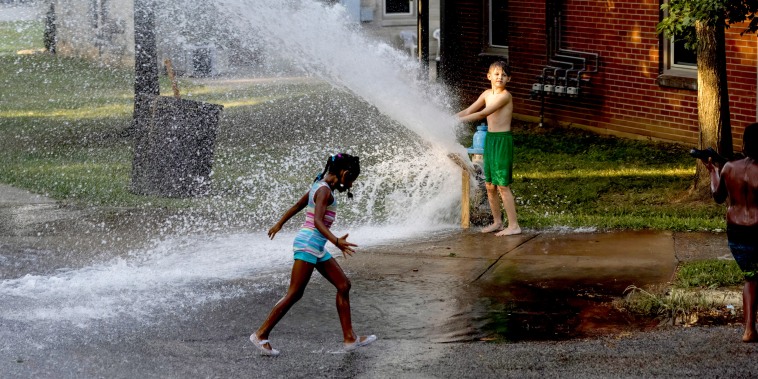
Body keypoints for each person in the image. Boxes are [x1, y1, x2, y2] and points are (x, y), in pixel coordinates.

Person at [250, 153, 377, 356]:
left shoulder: (319, 185)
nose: (351, 185)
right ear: (344, 173)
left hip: (316, 246)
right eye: (352, 179)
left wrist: (279, 223)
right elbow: (317, 221)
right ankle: (261, 334)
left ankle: (350, 338)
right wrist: (336, 241)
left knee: (344, 285)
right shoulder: (324, 191)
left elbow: (298, 206)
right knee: (295, 293)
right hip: (309, 244)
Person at [706, 123, 758, 342]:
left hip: (736, 232)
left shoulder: (728, 167)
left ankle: (749, 329)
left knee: (752, 278)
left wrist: (713, 172)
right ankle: (750, 329)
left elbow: (718, 196)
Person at [456, 60, 521, 236]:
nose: (500, 77)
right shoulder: (486, 94)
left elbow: (484, 113)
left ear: (509, 79)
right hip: (490, 140)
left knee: (502, 185)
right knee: (490, 185)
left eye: (504, 75)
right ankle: (498, 222)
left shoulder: (505, 96)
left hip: (502, 140)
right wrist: (450, 118)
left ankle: (514, 226)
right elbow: (470, 110)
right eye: (497, 73)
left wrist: (458, 121)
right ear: (489, 76)